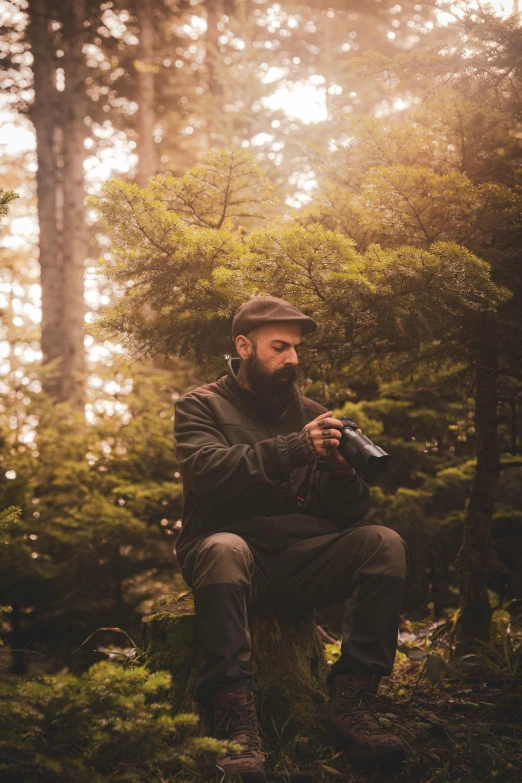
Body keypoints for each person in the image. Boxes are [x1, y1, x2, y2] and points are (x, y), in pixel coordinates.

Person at [174, 296, 407, 782]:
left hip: (302, 559)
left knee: (382, 542)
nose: (293, 359)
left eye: (296, 349)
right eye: (279, 347)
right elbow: (207, 473)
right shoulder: (200, 404)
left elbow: (347, 514)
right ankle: (235, 717)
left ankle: (353, 700)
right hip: (234, 557)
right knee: (223, 548)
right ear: (244, 346)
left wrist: (342, 473)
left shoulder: (315, 414)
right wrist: (294, 447)